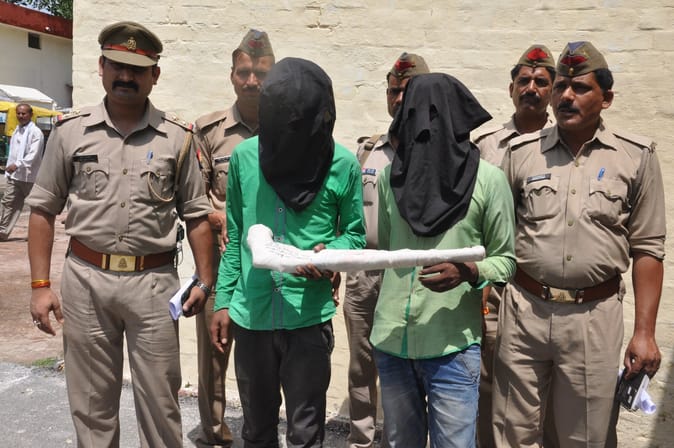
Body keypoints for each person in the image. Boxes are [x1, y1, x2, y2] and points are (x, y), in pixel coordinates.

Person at [26, 21, 214, 447]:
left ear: (154, 75)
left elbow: (197, 215)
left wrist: (205, 280)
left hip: (154, 285)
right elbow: (42, 210)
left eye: (137, 70)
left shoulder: (178, 138)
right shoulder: (70, 131)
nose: (125, 76)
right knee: (92, 407)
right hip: (86, 282)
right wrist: (39, 286)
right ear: (101, 67)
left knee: (161, 404)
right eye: (117, 66)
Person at [492, 41, 666, 447]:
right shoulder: (521, 153)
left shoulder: (635, 157)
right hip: (524, 311)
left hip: (594, 316)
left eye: (581, 88)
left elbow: (648, 248)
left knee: (585, 436)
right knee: (511, 431)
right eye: (561, 87)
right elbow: (498, 235)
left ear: (607, 98)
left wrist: (644, 332)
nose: (566, 96)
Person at [210, 57, 365, 447]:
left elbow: (354, 235)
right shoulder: (245, 158)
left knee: (305, 432)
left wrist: (328, 254)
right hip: (253, 314)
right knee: (256, 431)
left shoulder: (343, 164)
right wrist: (223, 301)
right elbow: (236, 236)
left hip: (308, 319)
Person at [371, 73, 516, 448]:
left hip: (452, 345)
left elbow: (506, 260)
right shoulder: (389, 179)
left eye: (434, 115)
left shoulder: (489, 181)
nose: (424, 126)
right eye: (414, 114)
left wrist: (470, 272)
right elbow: (389, 250)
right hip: (392, 339)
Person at [193, 28, 275, 448]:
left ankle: (258, 431)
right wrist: (222, 216)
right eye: (244, 72)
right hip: (222, 260)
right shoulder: (209, 131)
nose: (252, 81)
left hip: (270, 269)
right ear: (231, 75)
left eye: (261, 73)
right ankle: (213, 431)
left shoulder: (287, 128)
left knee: (265, 360)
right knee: (215, 353)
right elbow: (192, 198)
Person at [471, 44, 555, 448]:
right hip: (492, 286)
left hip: (540, 288)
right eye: (524, 81)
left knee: (545, 394)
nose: (531, 88)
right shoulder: (486, 145)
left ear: (553, 91)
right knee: (488, 384)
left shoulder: (563, 145)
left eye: (541, 82)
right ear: (511, 89)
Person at [344, 51, 428, 448]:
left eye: (407, 91)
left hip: (410, 274)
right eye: (393, 91)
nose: (398, 99)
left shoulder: (434, 151)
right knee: (361, 365)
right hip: (365, 271)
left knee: (409, 366)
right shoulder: (368, 152)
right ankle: (361, 438)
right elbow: (348, 212)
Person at [0, 103, 44, 241]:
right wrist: (10, 167)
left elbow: (33, 155)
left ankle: (35, 235)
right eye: (18, 113)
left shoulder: (36, 132)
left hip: (30, 177)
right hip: (15, 176)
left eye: (23, 113)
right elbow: (13, 152)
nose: (20, 116)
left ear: (31, 114)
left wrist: (17, 164)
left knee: (35, 207)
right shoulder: (16, 130)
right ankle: (3, 232)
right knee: (8, 203)